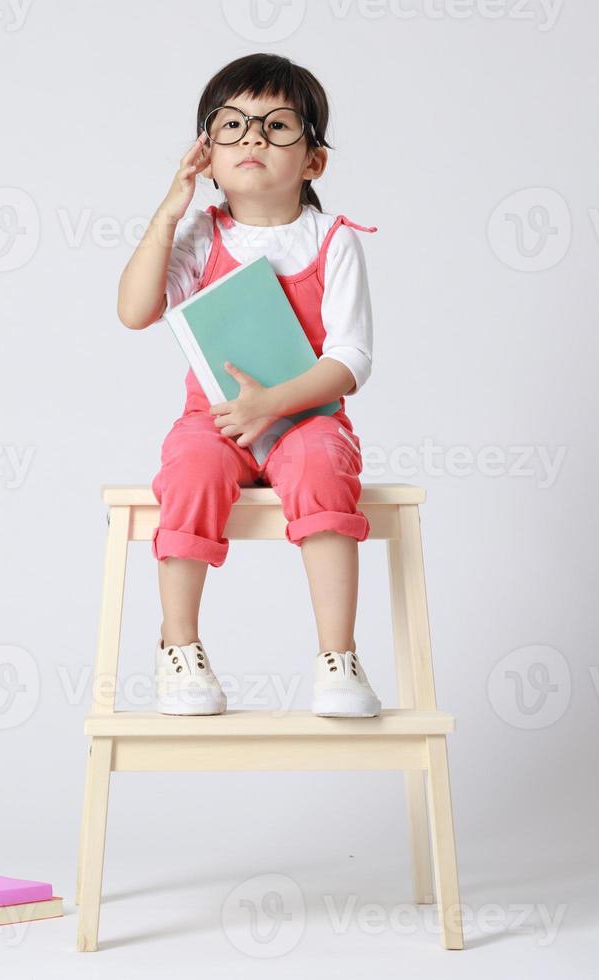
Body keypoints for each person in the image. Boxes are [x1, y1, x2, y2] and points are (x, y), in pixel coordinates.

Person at [116, 53, 380, 718]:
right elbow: (134, 310)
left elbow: (350, 358)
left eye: (275, 126)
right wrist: (169, 211)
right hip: (216, 421)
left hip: (303, 419)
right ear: (207, 151)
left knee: (322, 464)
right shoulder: (202, 234)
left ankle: (336, 658)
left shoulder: (333, 241)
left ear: (313, 161)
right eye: (230, 125)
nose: (252, 138)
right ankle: (179, 648)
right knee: (189, 471)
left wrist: (273, 404)